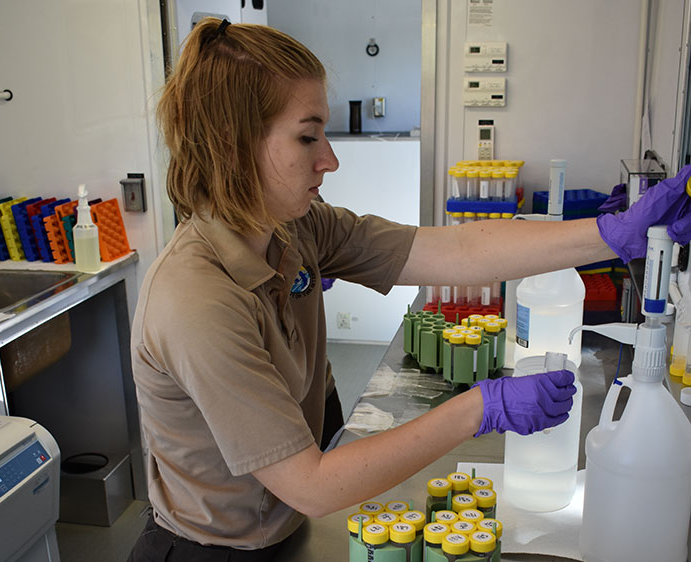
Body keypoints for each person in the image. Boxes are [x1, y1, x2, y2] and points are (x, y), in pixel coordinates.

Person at [127, 17, 691, 561]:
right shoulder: (195, 301)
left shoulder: (294, 228)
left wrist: (613, 235)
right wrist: (479, 408)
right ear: (233, 145)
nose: (330, 159)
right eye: (307, 137)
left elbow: (457, 250)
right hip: (211, 552)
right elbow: (315, 486)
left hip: (282, 527)